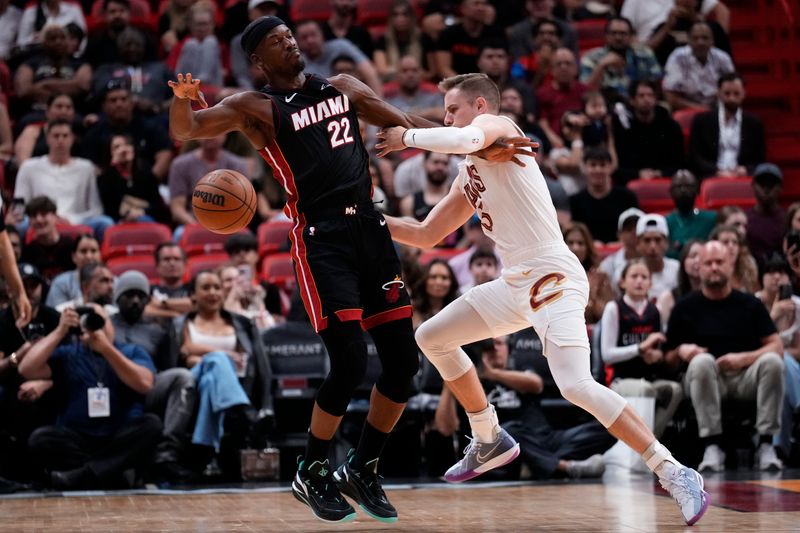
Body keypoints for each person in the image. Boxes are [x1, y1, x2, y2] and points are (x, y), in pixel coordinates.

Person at [167, 15, 532, 524]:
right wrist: (183, 98)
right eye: (277, 42)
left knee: (403, 363)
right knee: (349, 363)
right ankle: (312, 469)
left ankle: (363, 467)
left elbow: (402, 121)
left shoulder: (340, 86)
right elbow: (187, 129)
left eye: (291, 36)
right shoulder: (256, 108)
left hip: (371, 229)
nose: (290, 43)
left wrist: (484, 145)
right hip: (321, 239)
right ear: (258, 60)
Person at [378, 72, 708, 525]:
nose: (447, 118)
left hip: (552, 274)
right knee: (432, 336)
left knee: (575, 385)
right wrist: (369, 218)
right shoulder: (468, 172)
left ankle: (673, 470)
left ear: (479, 105)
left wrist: (407, 137)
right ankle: (489, 436)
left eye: (452, 109)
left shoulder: (501, 128)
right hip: (515, 283)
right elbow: (427, 233)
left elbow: (468, 136)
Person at [664, 240, 784, 472]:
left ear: (730, 265)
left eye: (719, 262)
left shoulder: (750, 304)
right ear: (699, 268)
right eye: (708, 263)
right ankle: (712, 446)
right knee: (701, 362)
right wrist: (680, 351)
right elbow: (666, 358)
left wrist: (745, 359)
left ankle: (767, 444)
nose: (714, 267)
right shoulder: (685, 307)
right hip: (706, 379)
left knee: (772, 361)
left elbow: (776, 346)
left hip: (744, 377)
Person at [437, 335, 614, 480]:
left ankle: (535, 462)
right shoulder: (469, 384)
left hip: (545, 438)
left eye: (499, 344)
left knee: (608, 426)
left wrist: (494, 373)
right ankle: (564, 467)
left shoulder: (519, 369)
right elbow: (445, 428)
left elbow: (536, 384)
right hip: (505, 445)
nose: (494, 350)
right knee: (506, 432)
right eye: (488, 346)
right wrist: (450, 384)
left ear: (508, 348)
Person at [170, 271, 274, 477]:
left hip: (229, 383)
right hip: (193, 381)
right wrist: (223, 354)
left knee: (213, 379)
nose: (213, 293)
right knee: (217, 361)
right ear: (193, 294)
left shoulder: (240, 323)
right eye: (206, 288)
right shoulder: (182, 323)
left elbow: (257, 362)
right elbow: (186, 355)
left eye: (217, 287)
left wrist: (203, 355)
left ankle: (206, 452)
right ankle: (246, 412)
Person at [111, 270, 197, 482]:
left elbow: (166, 368)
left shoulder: (157, 331)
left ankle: (167, 453)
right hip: (109, 388)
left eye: (141, 296)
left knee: (182, 377)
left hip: (145, 388)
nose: (135, 301)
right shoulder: (105, 325)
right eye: (129, 295)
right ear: (117, 298)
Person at [600, 259, 682, 438]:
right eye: (634, 276)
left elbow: (658, 351)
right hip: (619, 379)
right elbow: (607, 355)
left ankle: (649, 445)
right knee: (645, 390)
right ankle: (642, 447)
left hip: (648, 378)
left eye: (644, 277)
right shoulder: (614, 308)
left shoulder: (655, 311)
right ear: (622, 282)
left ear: (651, 283)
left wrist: (657, 356)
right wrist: (639, 348)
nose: (639, 281)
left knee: (674, 390)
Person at [14, 119, 114, 241]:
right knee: (19, 225)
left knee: (105, 223)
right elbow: (20, 205)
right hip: (38, 219)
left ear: (72, 139)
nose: (60, 140)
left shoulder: (86, 167)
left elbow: (96, 209)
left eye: (65, 136)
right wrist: (42, 218)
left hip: (76, 220)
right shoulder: (29, 166)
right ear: (47, 139)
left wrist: (71, 220)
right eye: (56, 136)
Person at [754, 254, 800, 459]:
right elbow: (751, 343)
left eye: (782, 273)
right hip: (758, 364)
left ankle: (779, 449)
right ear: (762, 277)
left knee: (783, 366)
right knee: (779, 361)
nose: (776, 278)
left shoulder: (797, 306)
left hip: (792, 369)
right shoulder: (753, 304)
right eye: (771, 272)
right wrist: (773, 314)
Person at [688, 72, 766, 179]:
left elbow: (759, 158)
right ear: (718, 93)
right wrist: (716, 171)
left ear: (744, 93)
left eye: (736, 93)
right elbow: (695, 156)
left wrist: (746, 169)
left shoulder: (754, 123)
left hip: (742, 176)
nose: (732, 98)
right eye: (727, 93)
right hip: (710, 175)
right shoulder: (702, 120)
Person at [167, 134, 248, 228]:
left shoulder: (238, 165)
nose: (210, 135)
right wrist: (196, 226)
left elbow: (243, 207)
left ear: (226, 134)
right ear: (196, 134)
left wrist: (226, 226)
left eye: (216, 130)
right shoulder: (180, 164)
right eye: (205, 130)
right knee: (182, 234)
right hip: (192, 223)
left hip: (230, 224)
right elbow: (177, 208)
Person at [612, 79, 684, 184]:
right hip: (630, 181)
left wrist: (660, 173)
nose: (646, 99)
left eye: (650, 95)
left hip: (665, 179)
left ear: (655, 99)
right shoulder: (621, 127)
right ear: (632, 100)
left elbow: (679, 163)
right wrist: (638, 174)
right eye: (641, 96)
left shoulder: (670, 126)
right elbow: (617, 167)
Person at [579, 16, 661, 100]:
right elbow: (586, 92)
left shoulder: (644, 55)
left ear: (631, 36)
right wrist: (601, 66)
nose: (618, 38)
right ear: (606, 36)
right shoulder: (591, 57)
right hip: (604, 106)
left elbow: (657, 85)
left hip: (638, 105)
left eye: (623, 33)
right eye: (613, 33)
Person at [569, 146, 639, 244]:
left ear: (610, 167)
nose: (598, 169)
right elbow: (573, 235)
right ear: (584, 168)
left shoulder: (627, 197)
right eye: (593, 165)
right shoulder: (574, 201)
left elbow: (636, 231)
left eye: (602, 165)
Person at [663, 21, 734, 111]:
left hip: (717, 110)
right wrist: (702, 110)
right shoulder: (677, 58)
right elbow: (671, 97)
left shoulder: (723, 58)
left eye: (705, 38)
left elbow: (733, 91)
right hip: (686, 110)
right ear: (688, 40)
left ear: (712, 41)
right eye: (695, 38)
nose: (700, 42)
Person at [433, 0, 506, 79]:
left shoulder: (497, 33)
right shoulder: (449, 33)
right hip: (456, 83)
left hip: (488, 83)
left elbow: (503, 65)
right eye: (476, 4)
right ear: (463, 9)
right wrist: (464, 85)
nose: (481, 8)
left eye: (484, 4)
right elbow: (443, 68)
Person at [563, 222, 613, 324]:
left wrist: (592, 297)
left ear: (588, 248)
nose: (575, 248)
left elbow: (607, 315)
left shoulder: (600, 277)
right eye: (570, 242)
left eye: (580, 243)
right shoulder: (553, 276)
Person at [21, 196, 75, 281]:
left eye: (43, 214)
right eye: (34, 216)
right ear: (29, 221)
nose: (38, 220)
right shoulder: (28, 251)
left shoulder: (70, 246)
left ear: (55, 216)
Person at [664, 170, 716, 259]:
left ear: (697, 190)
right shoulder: (664, 222)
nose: (683, 190)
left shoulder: (711, 219)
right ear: (671, 192)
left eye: (688, 186)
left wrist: (680, 245)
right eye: (678, 186)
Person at [746, 163, 787, 267]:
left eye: (771, 184)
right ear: (753, 186)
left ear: (781, 188)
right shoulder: (744, 220)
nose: (766, 189)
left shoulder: (788, 220)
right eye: (762, 184)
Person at [656, 239, 704, 325]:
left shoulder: (718, 295)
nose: (697, 261)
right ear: (683, 262)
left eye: (702, 257)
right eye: (692, 256)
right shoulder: (668, 298)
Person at [46, 234, 100, 308]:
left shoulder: (112, 281)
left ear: (100, 255)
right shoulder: (60, 283)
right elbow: (55, 314)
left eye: (93, 251)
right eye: (83, 251)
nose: (89, 256)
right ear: (74, 256)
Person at [599, 207, 644, 292]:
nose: (634, 232)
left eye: (638, 228)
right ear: (619, 234)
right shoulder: (608, 265)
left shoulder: (655, 261)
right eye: (629, 229)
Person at [636, 214, 680, 300]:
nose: (653, 246)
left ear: (667, 242)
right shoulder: (630, 271)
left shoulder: (677, 269)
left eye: (658, 240)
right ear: (638, 244)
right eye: (647, 240)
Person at [145, 242, 192, 319]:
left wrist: (161, 303)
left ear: (185, 264)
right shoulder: (148, 290)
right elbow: (144, 310)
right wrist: (176, 314)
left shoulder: (193, 288)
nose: (172, 263)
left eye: (177, 259)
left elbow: (198, 305)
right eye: (166, 259)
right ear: (157, 265)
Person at [411, 258, 460, 329]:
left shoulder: (458, 311)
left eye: (444, 278)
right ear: (424, 280)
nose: (439, 282)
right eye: (433, 277)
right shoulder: (412, 309)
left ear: (452, 283)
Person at [709, 224, 759, 293]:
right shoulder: (709, 271)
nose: (731, 246)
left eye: (735, 242)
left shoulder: (748, 267)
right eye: (725, 242)